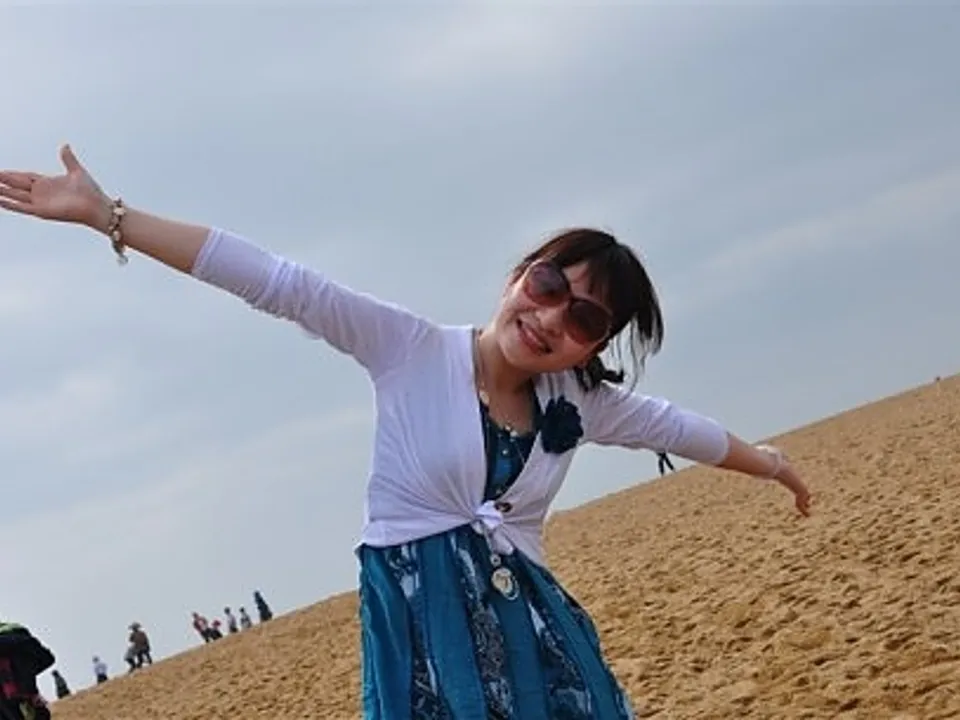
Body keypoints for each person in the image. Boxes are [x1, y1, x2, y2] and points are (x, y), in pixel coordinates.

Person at [0, 146, 812, 718]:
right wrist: (108, 215)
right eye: (546, 284)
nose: (550, 317)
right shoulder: (409, 350)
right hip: (423, 636)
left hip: (537, 638)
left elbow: (678, 428)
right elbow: (274, 280)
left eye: (584, 318)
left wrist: (771, 464)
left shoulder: (580, 403)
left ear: (594, 347)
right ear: (517, 277)